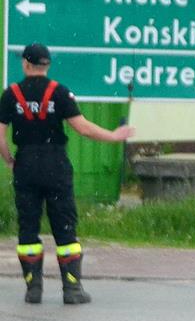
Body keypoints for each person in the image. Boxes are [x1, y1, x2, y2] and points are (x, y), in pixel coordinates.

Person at [2, 43, 135, 304]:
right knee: (64, 226)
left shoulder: (11, 94)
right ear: (47, 65)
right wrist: (113, 136)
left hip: (26, 164)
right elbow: (82, 128)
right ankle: (72, 289)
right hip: (55, 165)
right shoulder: (60, 92)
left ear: (26, 64)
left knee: (28, 227)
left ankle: (33, 289)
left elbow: (0, 136)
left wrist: (9, 159)